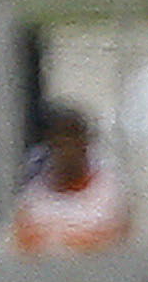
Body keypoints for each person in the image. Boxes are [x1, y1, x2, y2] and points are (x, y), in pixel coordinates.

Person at [12, 99, 131, 252]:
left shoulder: (109, 190)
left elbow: (114, 241)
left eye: (72, 139)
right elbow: (26, 246)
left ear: (85, 142)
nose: (67, 150)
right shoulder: (34, 196)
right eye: (59, 141)